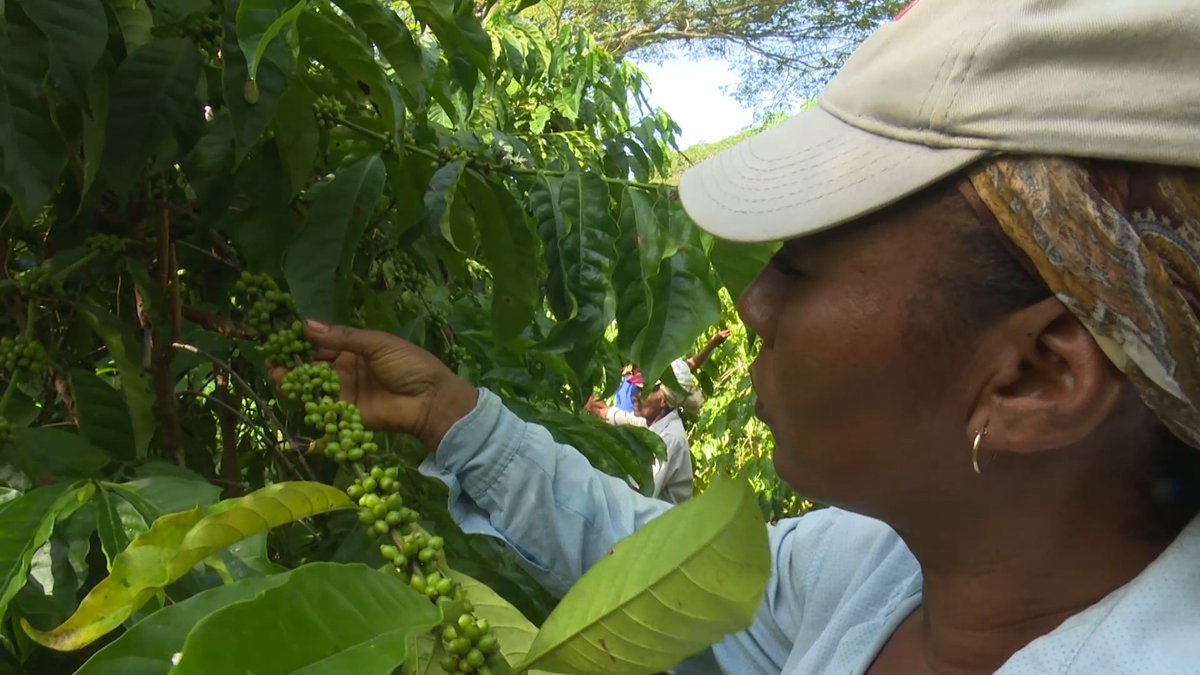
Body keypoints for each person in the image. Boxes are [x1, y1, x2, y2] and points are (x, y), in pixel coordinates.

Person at [274, 1, 1200, 671]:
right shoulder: (873, 570)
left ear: (1033, 377)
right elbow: (660, 568)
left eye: (798, 266)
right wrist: (454, 418)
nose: (752, 302)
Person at [586, 358, 702, 503]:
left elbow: (640, 493)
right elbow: (612, 415)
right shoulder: (651, 423)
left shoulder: (670, 438)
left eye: (642, 389)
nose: (634, 393)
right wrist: (590, 401)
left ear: (664, 400)